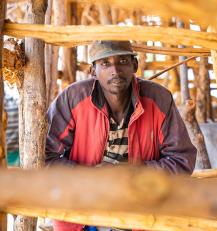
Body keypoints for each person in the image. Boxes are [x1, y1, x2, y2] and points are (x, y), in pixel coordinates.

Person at [45, 40, 197, 231]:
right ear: (93, 70)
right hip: (82, 207)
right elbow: (44, 156)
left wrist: (133, 174)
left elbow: (182, 159)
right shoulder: (73, 98)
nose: (115, 70)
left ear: (135, 65)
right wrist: (91, 177)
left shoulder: (159, 99)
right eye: (105, 63)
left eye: (123, 61)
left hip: (141, 206)